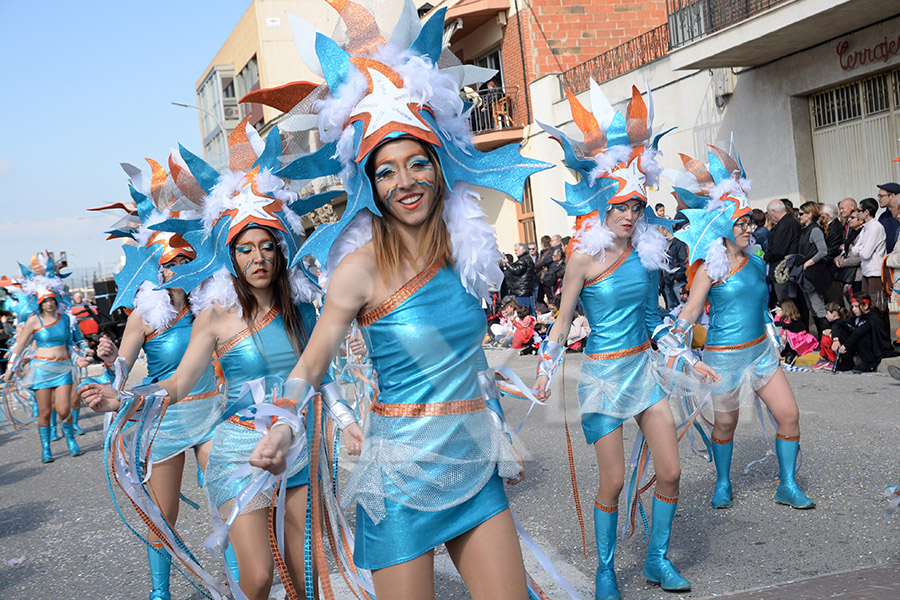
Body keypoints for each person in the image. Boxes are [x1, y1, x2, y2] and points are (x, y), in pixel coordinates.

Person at [241, 7, 549, 597]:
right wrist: (281, 426)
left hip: (471, 464)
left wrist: (500, 422)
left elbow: (472, 363)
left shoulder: (463, 252)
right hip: (401, 479)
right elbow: (313, 361)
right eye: (386, 172)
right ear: (370, 185)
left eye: (416, 163)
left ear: (439, 165)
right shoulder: (358, 271)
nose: (404, 181)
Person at [81, 127, 324, 600]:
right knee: (257, 579)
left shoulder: (303, 308)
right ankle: (161, 589)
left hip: (298, 442)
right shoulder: (213, 316)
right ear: (229, 256)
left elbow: (323, 372)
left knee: (304, 575)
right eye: (244, 248)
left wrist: (346, 417)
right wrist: (123, 394)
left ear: (281, 248)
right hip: (235, 444)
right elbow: (176, 383)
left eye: (266, 246)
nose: (258, 257)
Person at [533, 83, 712, 598]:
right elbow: (564, 323)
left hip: (643, 371)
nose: (631, 215)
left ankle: (656, 560)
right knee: (611, 482)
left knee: (672, 472)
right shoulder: (582, 259)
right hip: (603, 378)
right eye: (620, 206)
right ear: (601, 205)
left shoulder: (647, 255)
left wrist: (685, 356)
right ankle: (607, 571)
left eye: (637, 205)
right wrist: (545, 368)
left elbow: (655, 317)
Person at [89, 163, 234, 600]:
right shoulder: (142, 315)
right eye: (171, 263)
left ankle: (243, 586)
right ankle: (160, 593)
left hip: (211, 411)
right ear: (156, 266)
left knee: (230, 506)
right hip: (165, 418)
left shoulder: (210, 306)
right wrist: (113, 359)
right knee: (162, 514)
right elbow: (122, 370)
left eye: (186, 259)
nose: (179, 269)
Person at [672, 145, 815, 512]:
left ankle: (787, 484)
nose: (749, 228)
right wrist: (675, 344)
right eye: (741, 224)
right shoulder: (710, 268)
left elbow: (758, 303)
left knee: (789, 415)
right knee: (725, 426)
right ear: (722, 225)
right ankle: (722, 482)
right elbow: (689, 313)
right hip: (723, 359)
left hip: (760, 353)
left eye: (749, 222)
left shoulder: (755, 260)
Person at [5, 261, 91, 463]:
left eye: (52, 299)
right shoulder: (33, 321)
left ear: (56, 299)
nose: (49, 303)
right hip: (41, 369)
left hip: (63, 369)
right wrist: (10, 369)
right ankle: (46, 448)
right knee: (45, 412)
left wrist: (81, 354)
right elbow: (20, 346)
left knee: (63, 409)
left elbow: (71, 343)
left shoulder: (65, 319)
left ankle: (70, 439)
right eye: (45, 301)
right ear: (39, 302)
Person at [832, 294, 895, 372]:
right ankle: (847, 362)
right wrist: (836, 339)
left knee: (860, 334)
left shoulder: (873, 318)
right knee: (843, 329)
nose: (854, 309)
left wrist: (845, 346)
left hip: (877, 350)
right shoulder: (858, 318)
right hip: (863, 347)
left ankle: (869, 364)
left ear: (865, 306)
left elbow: (859, 332)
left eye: (856, 306)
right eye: (852, 307)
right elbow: (838, 324)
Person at [796, 201, 832, 335]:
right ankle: (821, 336)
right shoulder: (806, 230)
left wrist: (808, 263)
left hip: (814, 274)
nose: (799, 216)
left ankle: (825, 337)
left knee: (818, 306)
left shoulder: (815, 230)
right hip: (807, 274)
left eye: (801, 214)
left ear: (809, 214)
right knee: (812, 307)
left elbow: (823, 251)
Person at [850, 197, 887, 315]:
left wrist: (860, 249)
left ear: (866, 212)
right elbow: (854, 250)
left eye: (859, 211)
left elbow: (865, 254)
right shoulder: (865, 227)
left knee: (877, 305)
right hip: (866, 270)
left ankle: (881, 332)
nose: (857, 213)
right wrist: (861, 249)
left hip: (875, 271)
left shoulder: (876, 227)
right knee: (865, 304)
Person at [764, 199, 800, 305]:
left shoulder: (784, 225)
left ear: (774, 211)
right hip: (790, 267)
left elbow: (778, 250)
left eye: (770, 214)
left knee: (785, 303)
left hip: (782, 270)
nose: (770, 217)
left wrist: (765, 257)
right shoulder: (791, 221)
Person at [773, 299, 818, 365]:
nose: (776, 311)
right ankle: (785, 351)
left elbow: (777, 324)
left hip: (797, 342)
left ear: (785, 310)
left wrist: (777, 317)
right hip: (791, 342)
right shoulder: (785, 320)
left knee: (788, 334)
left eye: (777, 309)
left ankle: (790, 353)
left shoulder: (793, 321)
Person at [813, 302, 850, 370]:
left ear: (834, 313)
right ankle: (824, 357)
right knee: (824, 336)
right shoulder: (837, 323)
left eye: (827, 313)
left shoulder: (838, 324)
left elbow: (836, 332)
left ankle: (832, 360)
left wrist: (833, 337)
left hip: (843, 346)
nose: (826, 316)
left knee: (826, 339)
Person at [501, 243, 536, 314]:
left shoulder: (524, 260)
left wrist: (507, 263)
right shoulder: (524, 259)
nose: (515, 252)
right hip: (522, 290)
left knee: (524, 310)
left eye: (516, 250)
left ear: (522, 250)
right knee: (526, 309)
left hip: (522, 290)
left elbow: (516, 270)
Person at [659, 226, 688, 310]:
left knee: (683, 307)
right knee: (671, 309)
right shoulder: (663, 244)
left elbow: (684, 262)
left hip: (676, 282)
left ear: (666, 229)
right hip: (666, 283)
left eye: (659, 229)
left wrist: (676, 277)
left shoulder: (679, 243)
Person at [876, 182, 899, 253]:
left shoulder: (897, 217)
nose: (878, 199)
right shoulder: (883, 217)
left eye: (881, 196)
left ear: (892, 196)